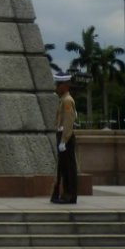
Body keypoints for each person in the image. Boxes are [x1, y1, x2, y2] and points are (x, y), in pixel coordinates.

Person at [52, 73, 78, 205]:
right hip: (62, 136)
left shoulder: (67, 101)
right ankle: (66, 194)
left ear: (65, 86)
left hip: (65, 138)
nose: (57, 87)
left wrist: (64, 140)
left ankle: (69, 195)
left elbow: (68, 122)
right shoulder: (63, 99)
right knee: (63, 167)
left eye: (58, 85)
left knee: (68, 168)